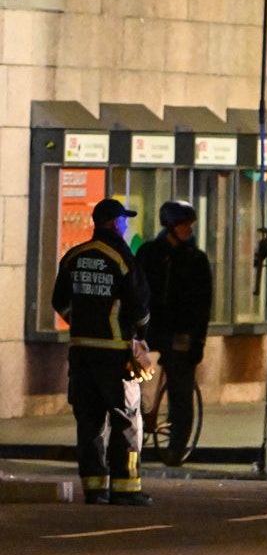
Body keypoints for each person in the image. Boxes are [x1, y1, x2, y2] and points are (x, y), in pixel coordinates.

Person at [51, 198, 153, 505]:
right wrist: (139, 336)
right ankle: (126, 488)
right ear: (113, 223)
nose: (126, 225)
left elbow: (60, 301)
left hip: (82, 354)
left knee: (89, 421)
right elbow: (140, 307)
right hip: (116, 354)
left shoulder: (74, 256)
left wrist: (82, 324)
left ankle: (94, 487)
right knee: (127, 420)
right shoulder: (122, 259)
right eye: (124, 220)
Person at [136, 200, 214, 467]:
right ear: (170, 226)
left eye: (189, 225)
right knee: (129, 376)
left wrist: (198, 340)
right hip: (149, 327)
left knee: (181, 388)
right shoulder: (149, 253)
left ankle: (176, 446)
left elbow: (203, 304)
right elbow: (135, 289)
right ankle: (132, 428)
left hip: (180, 331)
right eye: (183, 225)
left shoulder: (196, 259)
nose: (188, 230)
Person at [252, 228, 267, 297]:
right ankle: (257, 290)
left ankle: (257, 290)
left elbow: (263, 252)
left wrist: (257, 255)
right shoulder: (266, 241)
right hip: (261, 256)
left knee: (258, 275)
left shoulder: (265, 242)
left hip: (261, 256)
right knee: (258, 274)